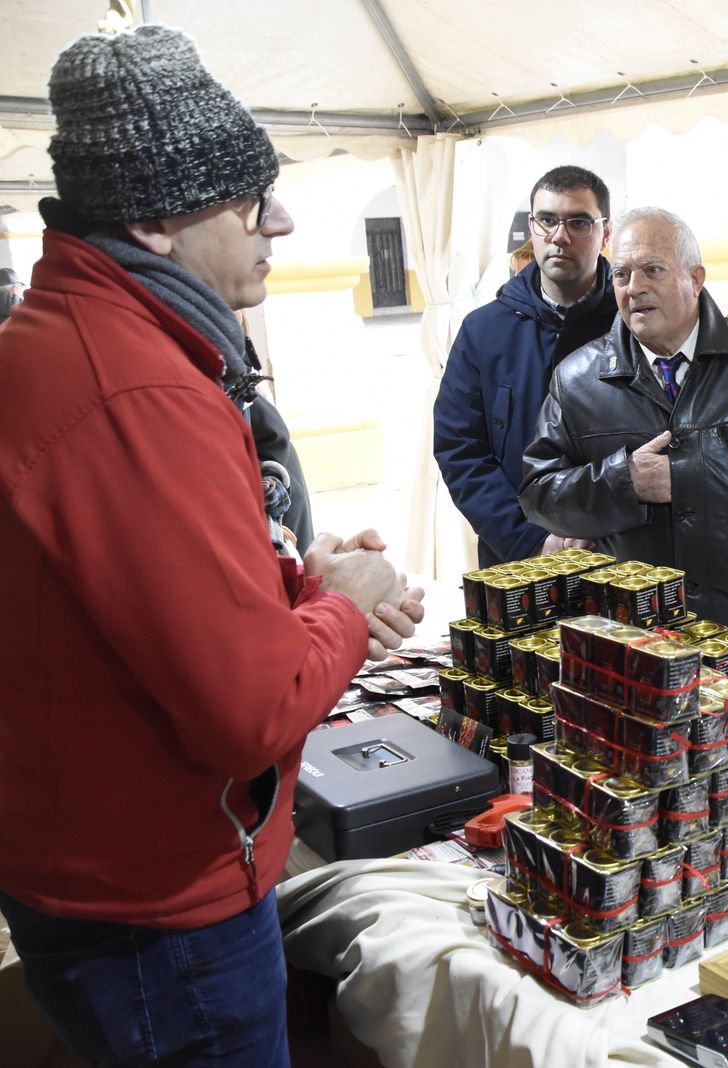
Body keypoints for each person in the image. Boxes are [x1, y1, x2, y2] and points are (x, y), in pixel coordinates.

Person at [0, 25, 423, 1066]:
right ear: (153, 222)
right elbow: (250, 711)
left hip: (93, 872)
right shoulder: (137, 390)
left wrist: (291, 582)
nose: (277, 220)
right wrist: (345, 605)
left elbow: (136, 590)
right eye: (249, 201)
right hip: (158, 914)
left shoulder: (69, 341)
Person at [521, 208, 728, 635]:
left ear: (695, 279)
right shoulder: (576, 378)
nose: (634, 287)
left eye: (652, 270)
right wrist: (625, 481)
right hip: (631, 635)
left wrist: (690, 475)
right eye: (621, 274)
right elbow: (538, 494)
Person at [434, 166, 616, 567]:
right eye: (547, 220)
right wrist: (528, 539)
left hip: (621, 558)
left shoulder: (632, 323)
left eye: (578, 222)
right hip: (515, 558)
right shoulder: (484, 331)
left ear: (606, 232)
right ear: (532, 227)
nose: (559, 235)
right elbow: (460, 448)